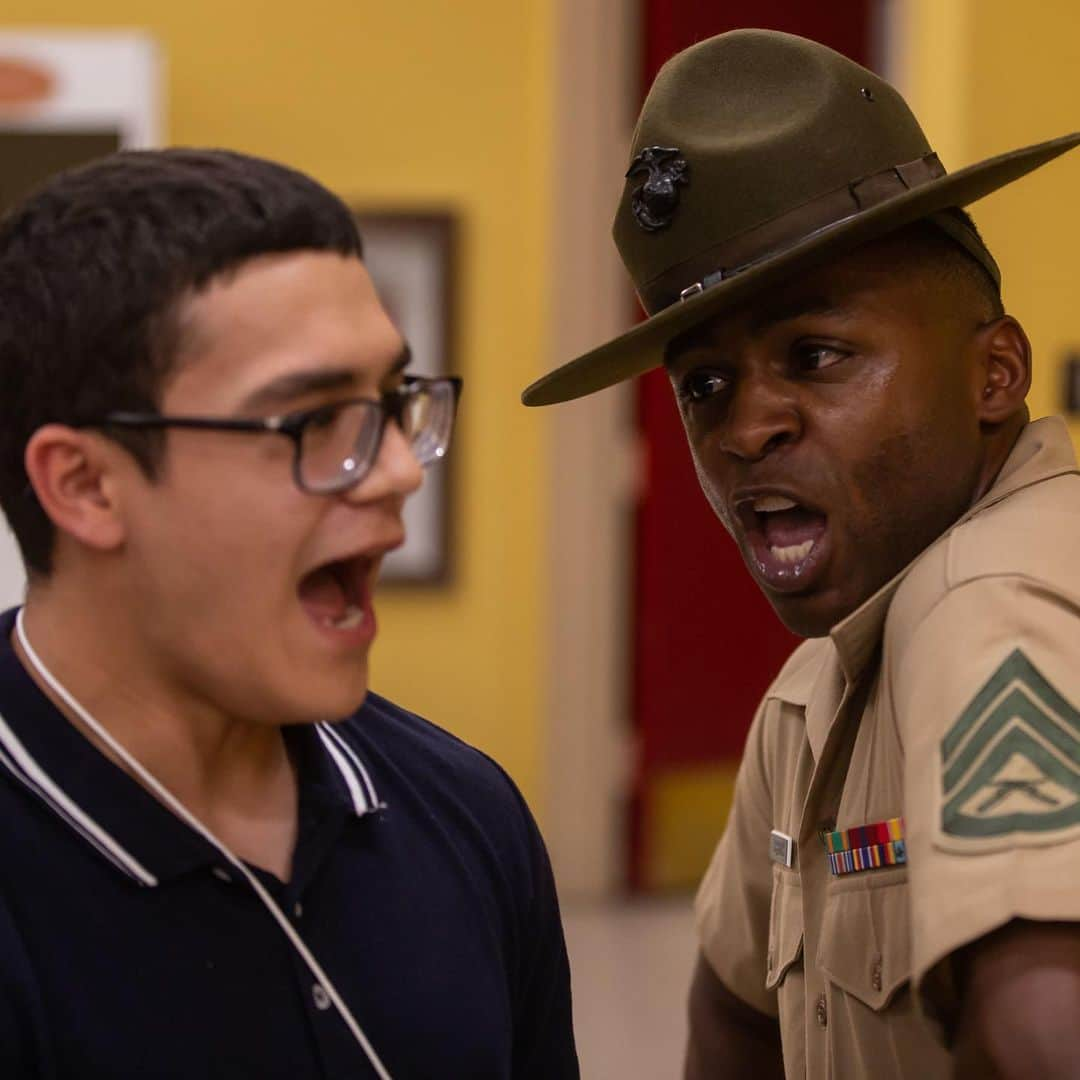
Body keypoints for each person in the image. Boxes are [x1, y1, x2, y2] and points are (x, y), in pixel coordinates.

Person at [522, 28, 1080, 1080]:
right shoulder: (813, 692)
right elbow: (733, 1015)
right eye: (705, 386)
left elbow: (1044, 1024)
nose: (745, 430)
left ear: (995, 372)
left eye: (816, 356)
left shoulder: (993, 601)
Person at [0, 148, 578, 1079]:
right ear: (87, 485)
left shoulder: (468, 811)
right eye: (310, 421)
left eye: (391, 404)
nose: (398, 470)